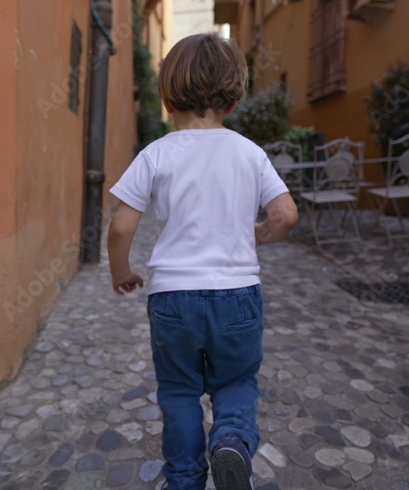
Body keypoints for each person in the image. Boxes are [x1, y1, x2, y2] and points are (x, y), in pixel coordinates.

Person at [106, 33, 299, 490]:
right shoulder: (249, 152)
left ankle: (186, 478)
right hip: (238, 297)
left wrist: (122, 272)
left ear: (168, 99)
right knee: (236, 381)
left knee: (178, 392)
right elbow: (286, 214)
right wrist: (258, 236)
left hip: (173, 300)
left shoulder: (155, 154)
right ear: (232, 101)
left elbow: (119, 228)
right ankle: (231, 440)